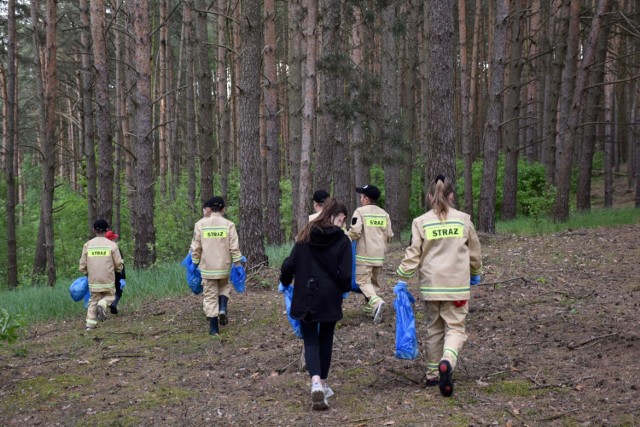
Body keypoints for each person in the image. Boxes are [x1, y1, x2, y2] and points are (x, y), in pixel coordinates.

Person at [396, 175, 482, 397]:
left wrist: (402, 277)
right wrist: (475, 273)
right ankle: (447, 361)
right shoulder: (463, 220)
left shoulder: (421, 221)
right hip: (457, 286)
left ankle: (433, 374)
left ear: (429, 196)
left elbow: (413, 253)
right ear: (451, 196)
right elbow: (474, 252)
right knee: (455, 328)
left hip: (431, 286)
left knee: (434, 328)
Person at [280, 198, 352, 411]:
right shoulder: (343, 241)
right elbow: (347, 275)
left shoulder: (305, 235)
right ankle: (324, 384)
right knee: (326, 338)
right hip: (330, 296)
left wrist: (285, 282)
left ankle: (315, 383)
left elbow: (289, 265)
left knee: (310, 339)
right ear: (335, 217)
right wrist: (342, 289)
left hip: (306, 294)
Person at [190, 196, 243, 336]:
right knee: (224, 287)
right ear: (223, 209)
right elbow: (234, 247)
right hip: (224, 267)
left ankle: (214, 329)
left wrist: (194, 263)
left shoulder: (200, 225)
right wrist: (238, 265)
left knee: (210, 296)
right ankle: (223, 308)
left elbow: (196, 247)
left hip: (207, 268)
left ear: (210, 209)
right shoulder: (229, 225)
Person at [348, 184, 393, 323]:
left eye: (361, 197)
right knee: (372, 282)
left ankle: (376, 302)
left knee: (362, 281)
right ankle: (371, 308)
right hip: (379, 256)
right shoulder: (384, 214)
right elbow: (390, 234)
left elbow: (355, 231)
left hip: (364, 255)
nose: (360, 199)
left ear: (366, 199)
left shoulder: (360, 212)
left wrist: (345, 239)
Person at [79, 219, 124, 330]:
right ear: (107, 230)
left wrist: (86, 273)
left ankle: (90, 324)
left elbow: (82, 265)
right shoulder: (112, 245)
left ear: (94, 230)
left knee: (93, 300)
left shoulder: (87, 245)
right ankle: (103, 304)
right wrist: (119, 270)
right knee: (111, 296)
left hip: (93, 280)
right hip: (108, 279)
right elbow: (118, 263)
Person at [105, 230, 126, 314]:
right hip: (115, 273)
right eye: (114, 238)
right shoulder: (115, 248)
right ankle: (113, 304)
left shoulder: (100, 249)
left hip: (104, 273)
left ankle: (102, 307)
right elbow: (120, 263)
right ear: (112, 239)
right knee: (118, 291)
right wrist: (123, 277)